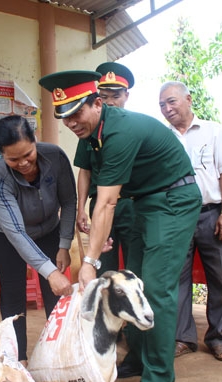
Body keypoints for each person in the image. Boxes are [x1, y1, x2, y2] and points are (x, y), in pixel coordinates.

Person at [40, 70, 202, 382]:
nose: (70, 122)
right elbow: (103, 195)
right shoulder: (96, 133)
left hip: (173, 201)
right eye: (64, 116)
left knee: (156, 289)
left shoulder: (120, 132)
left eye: (76, 113)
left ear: (97, 103)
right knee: (134, 283)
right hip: (145, 203)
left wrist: (89, 260)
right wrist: (99, 236)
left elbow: (107, 202)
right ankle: (140, 358)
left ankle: (159, 379)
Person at [159, 81, 222, 361]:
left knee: (221, 280)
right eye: (162, 105)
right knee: (178, 280)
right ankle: (183, 338)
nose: (167, 109)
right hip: (177, 218)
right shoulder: (161, 137)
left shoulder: (213, 131)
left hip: (211, 214)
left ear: (188, 99)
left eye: (172, 102)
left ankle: (217, 337)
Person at [0, 115, 75, 365]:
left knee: (55, 297)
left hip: (50, 230)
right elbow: (15, 231)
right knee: (13, 296)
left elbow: (68, 201)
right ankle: (18, 358)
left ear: (35, 141)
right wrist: (49, 271)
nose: (23, 163)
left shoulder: (55, 157)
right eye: (13, 159)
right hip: (9, 237)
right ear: (1, 154)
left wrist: (64, 244)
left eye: (28, 154)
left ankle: (57, 354)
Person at [74, 62, 136, 275]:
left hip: (131, 206)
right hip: (100, 206)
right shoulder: (89, 129)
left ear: (126, 95)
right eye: (105, 96)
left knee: (134, 266)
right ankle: (104, 308)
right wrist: (80, 208)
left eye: (116, 96)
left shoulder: (133, 129)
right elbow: (84, 170)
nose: (110, 102)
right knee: (102, 265)